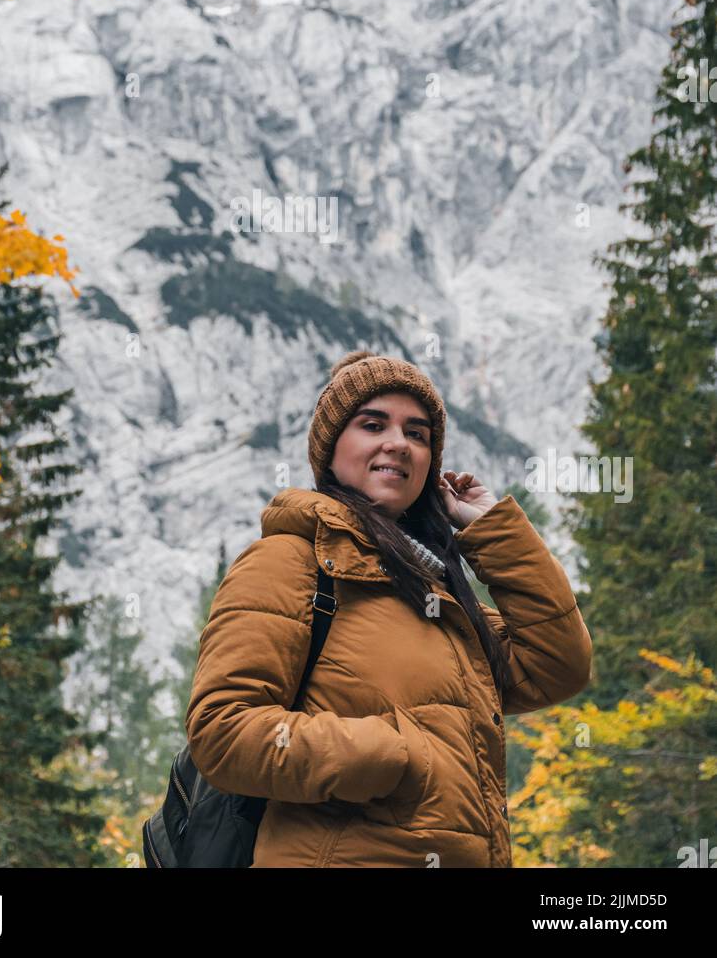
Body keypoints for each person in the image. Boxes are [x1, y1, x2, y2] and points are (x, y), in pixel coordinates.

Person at [185, 349, 592, 867]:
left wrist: (491, 528)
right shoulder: (288, 561)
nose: (398, 443)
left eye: (418, 434)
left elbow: (559, 666)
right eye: (373, 424)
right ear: (331, 450)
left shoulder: (436, 596)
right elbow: (222, 731)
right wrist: (395, 752)